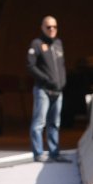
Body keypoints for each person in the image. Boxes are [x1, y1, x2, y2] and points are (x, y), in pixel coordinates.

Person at [26, 15, 71, 163]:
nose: (52, 29)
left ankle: (54, 153)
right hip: (43, 90)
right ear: (42, 28)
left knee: (54, 123)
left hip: (58, 91)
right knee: (39, 123)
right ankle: (38, 153)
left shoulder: (58, 43)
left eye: (54, 27)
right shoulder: (36, 44)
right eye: (48, 27)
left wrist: (62, 82)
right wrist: (46, 79)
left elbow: (62, 65)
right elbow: (30, 66)